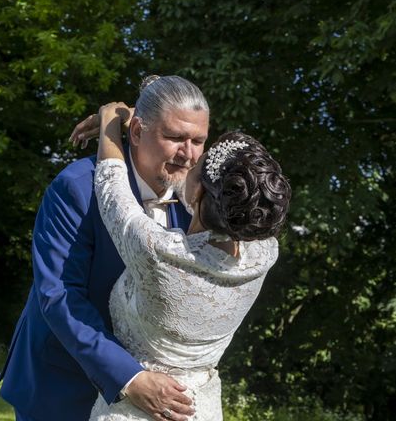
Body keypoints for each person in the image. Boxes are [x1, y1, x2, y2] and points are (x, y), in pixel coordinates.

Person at [0, 76, 209, 421]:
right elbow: (60, 294)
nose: (188, 154)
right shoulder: (77, 187)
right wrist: (130, 377)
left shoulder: (194, 204)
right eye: (174, 138)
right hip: (63, 385)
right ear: (137, 132)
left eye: (198, 140)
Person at [88, 102, 291, 421]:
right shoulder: (264, 254)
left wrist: (112, 119)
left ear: (197, 193)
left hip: (135, 411)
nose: (189, 160)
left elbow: (111, 186)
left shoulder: (160, 251)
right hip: (201, 410)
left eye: (196, 167)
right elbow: (241, 195)